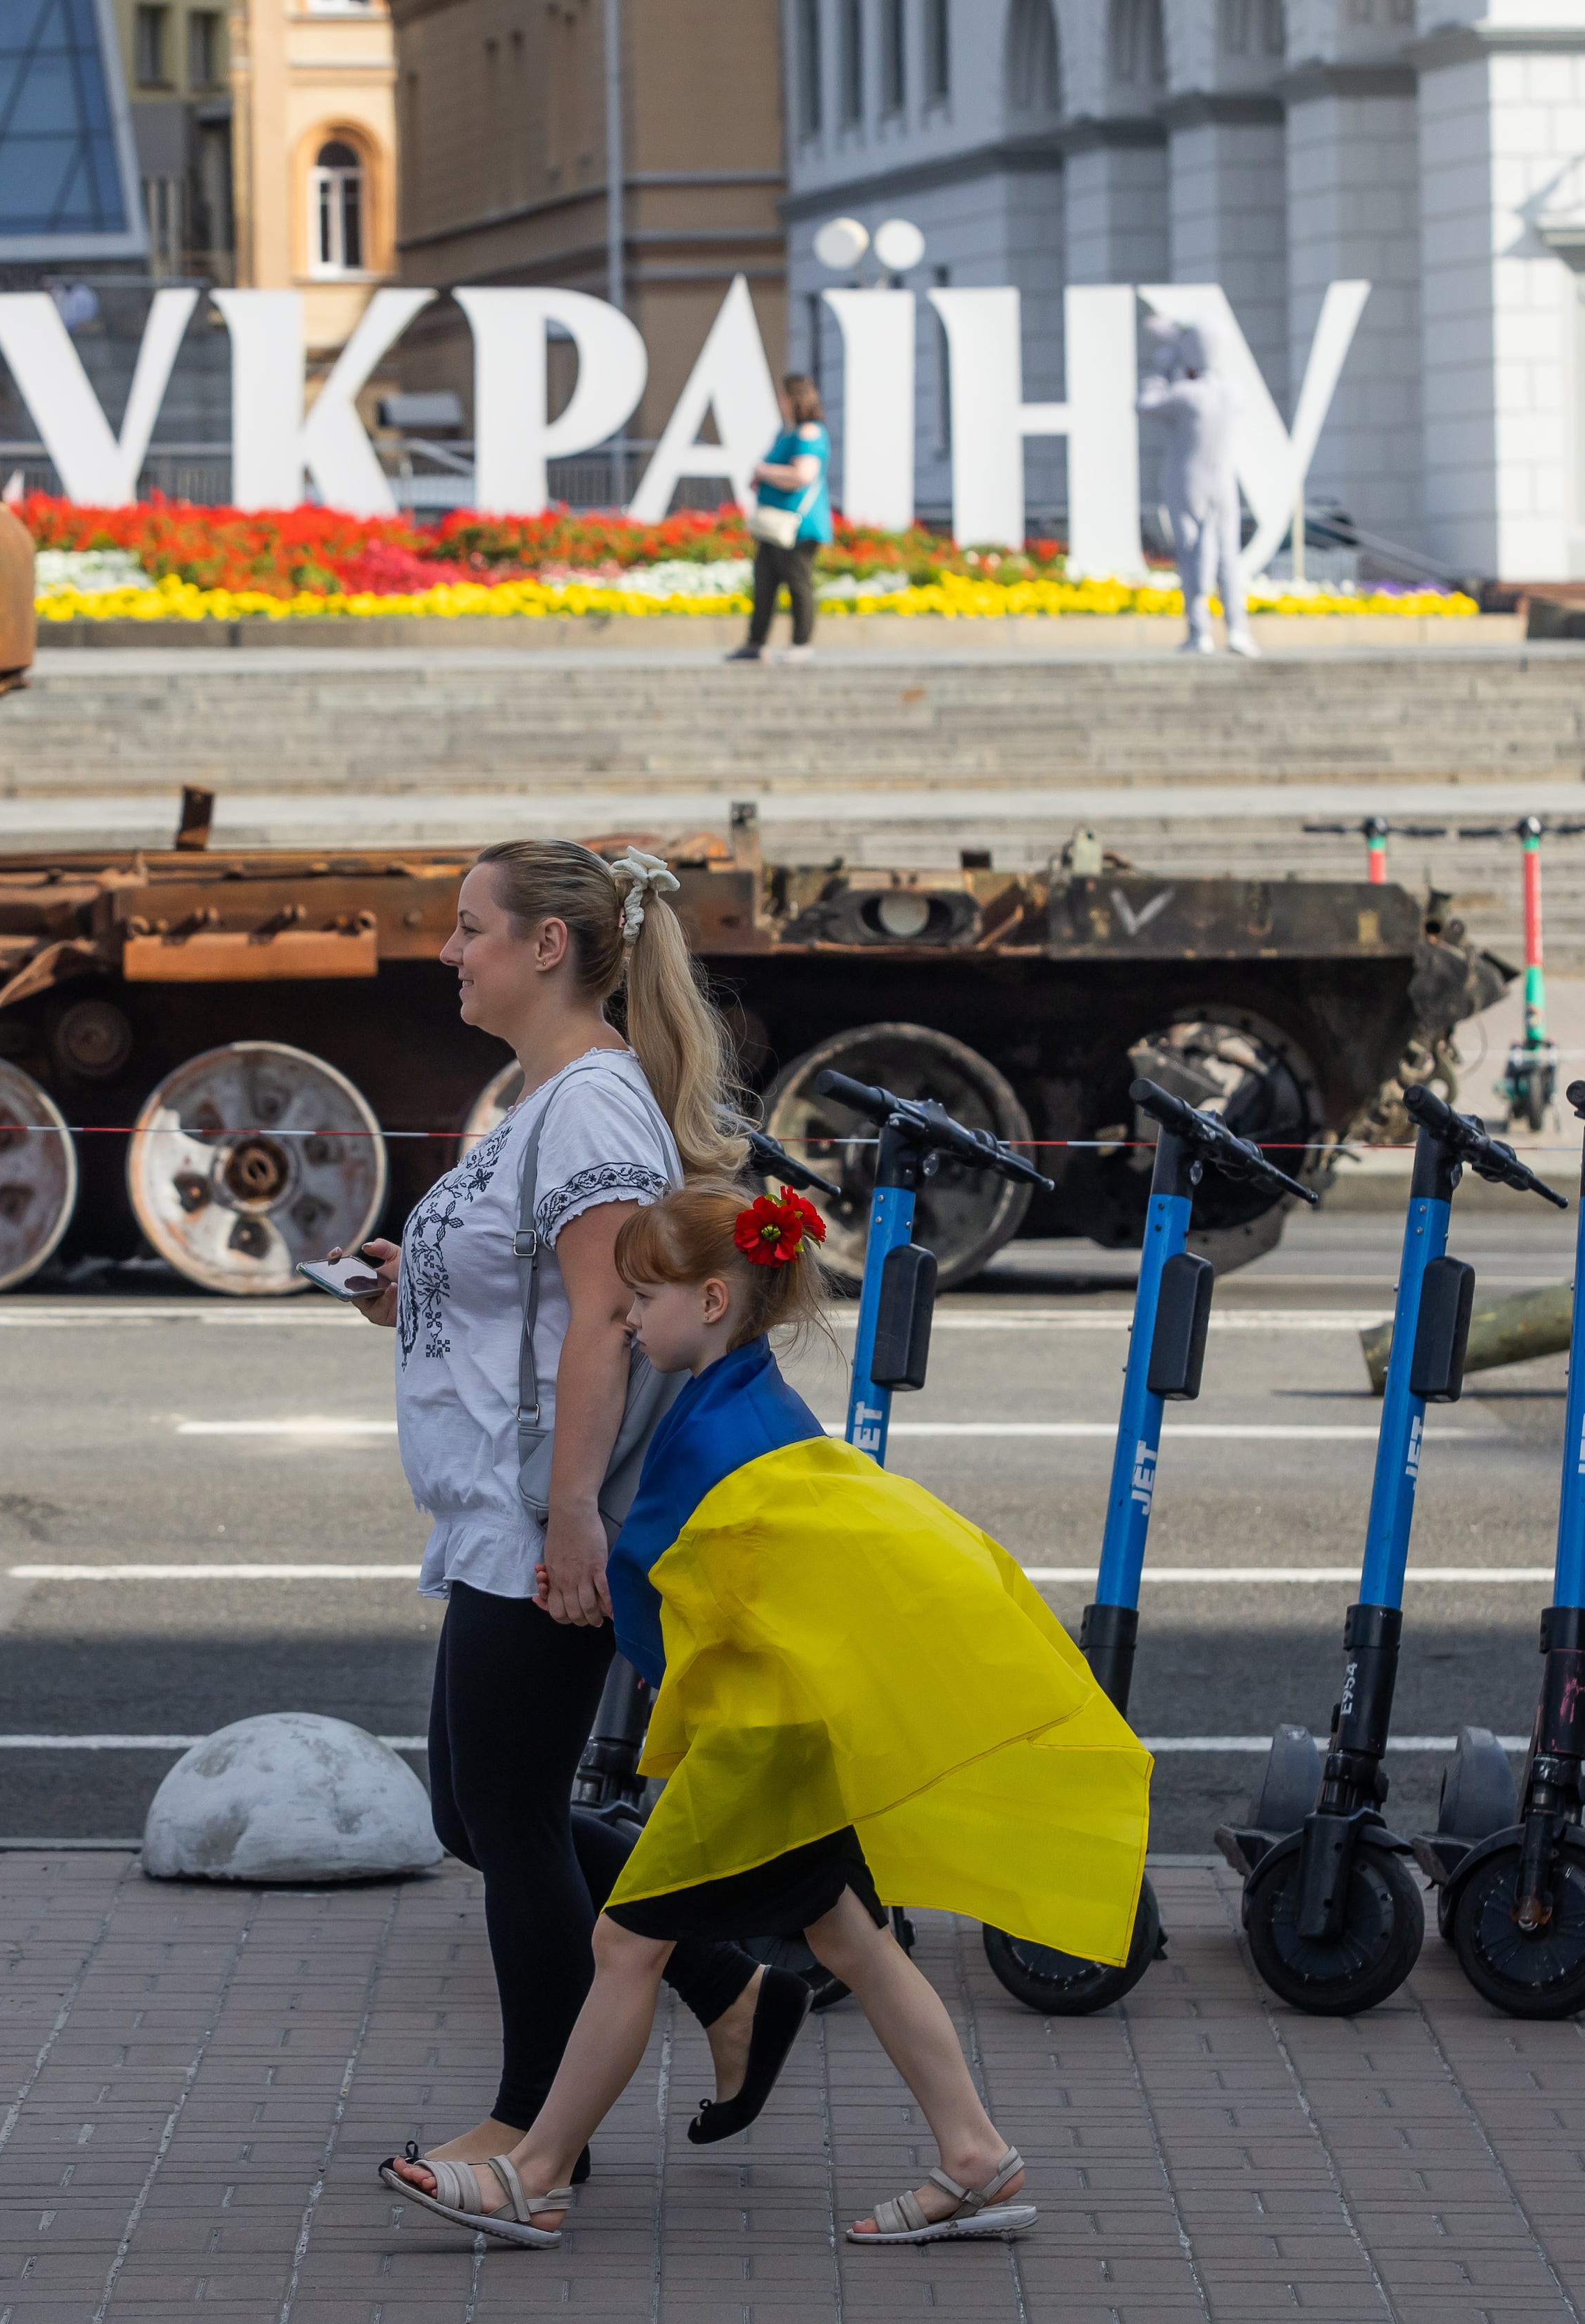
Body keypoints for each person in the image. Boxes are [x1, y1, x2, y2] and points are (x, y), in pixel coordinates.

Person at [383, 1184, 1153, 2251]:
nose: (622, 1320)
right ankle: (974, 2153)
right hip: (777, 1734)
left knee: (623, 1942)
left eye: (639, 1300)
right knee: (853, 1937)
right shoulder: (744, 1400)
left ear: (709, 1298)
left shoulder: (732, 1431)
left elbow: (747, 1579)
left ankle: (535, 2173)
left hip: (757, 1745)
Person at [330, 841, 797, 2188]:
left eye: (469, 927)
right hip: (506, 1504)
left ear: (548, 948)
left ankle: (538, 2128)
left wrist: (575, 1517)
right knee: (478, 1815)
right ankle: (728, 1984)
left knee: (513, 1813)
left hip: (547, 1508)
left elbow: (608, 1313)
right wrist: (400, 1288)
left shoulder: (590, 1107)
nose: (447, 950)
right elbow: (531, 1295)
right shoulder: (542, 1100)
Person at [1138, 315, 1253, 656]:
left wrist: (1162, 370)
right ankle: (1238, 631)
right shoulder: (1232, 392)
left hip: (1188, 480)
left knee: (1191, 554)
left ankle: (1199, 632)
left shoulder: (1185, 395)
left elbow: (1144, 405)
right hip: (1223, 483)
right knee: (1227, 558)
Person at [731, 375, 828, 664]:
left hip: (797, 526)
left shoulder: (809, 433)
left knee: (798, 583)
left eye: (783, 396)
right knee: (764, 582)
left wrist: (764, 472)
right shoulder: (786, 432)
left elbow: (803, 475)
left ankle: (801, 644)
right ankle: (755, 642)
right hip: (773, 526)